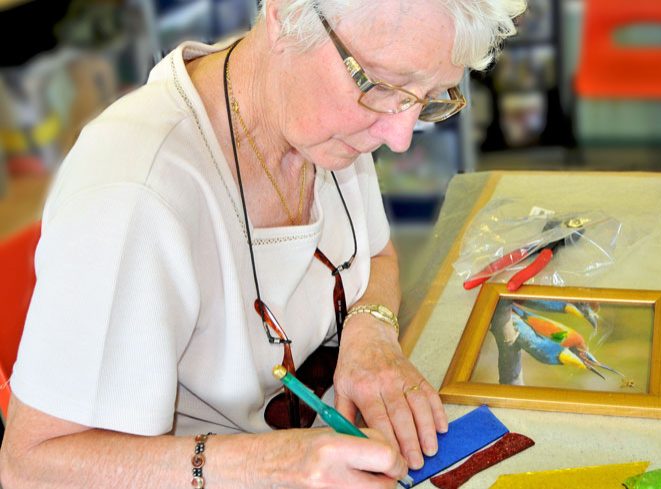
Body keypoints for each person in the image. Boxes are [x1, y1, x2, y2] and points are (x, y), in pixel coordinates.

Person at [0, 0, 525, 487]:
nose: (400, 136)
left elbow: (376, 257)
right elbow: (29, 466)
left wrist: (371, 333)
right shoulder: (136, 191)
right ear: (283, 16)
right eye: (384, 84)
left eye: (429, 99)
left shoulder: (325, 119)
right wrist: (278, 465)